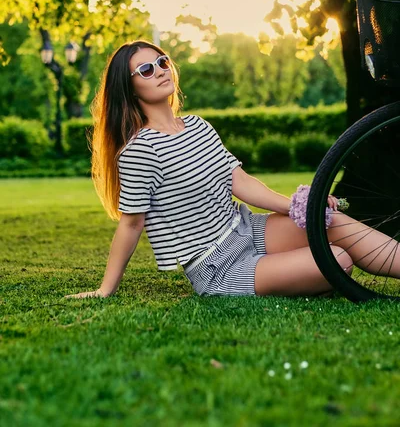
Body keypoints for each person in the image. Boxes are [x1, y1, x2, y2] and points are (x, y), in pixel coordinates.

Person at [65, 40, 400, 300]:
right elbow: (132, 222)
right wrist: (106, 288)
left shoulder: (197, 125)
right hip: (218, 266)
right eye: (147, 70)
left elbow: (238, 180)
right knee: (337, 260)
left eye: (163, 62)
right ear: (130, 87)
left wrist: (301, 207)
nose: (161, 70)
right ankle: (298, 273)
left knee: (332, 221)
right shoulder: (139, 151)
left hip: (248, 230)